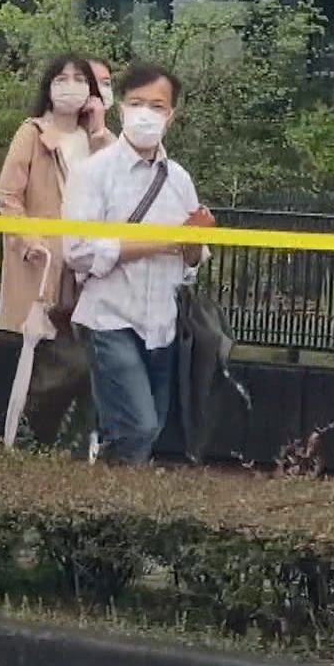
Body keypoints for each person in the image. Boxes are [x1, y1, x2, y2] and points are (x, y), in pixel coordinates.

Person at [63, 64, 213, 465]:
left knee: (146, 431)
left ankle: (107, 508)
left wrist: (195, 242)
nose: (146, 113)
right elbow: (77, 250)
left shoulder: (179, 179)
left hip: (161, 323)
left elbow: (191, 263)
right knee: (139, 425)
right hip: (109, 318)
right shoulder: (94, 173)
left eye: (157, 105)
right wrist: (160, 241)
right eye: (137, 103)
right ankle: (111, 506)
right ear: (121, 109)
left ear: (172, 115)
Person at [0, 55, 115, 442]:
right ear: (48, 87)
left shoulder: (101, 142)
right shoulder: (32, 133)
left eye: (80, 79)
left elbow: (118, 190)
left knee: (83, 361)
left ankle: (65, 445)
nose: (70, 85)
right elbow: (8, 195)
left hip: (89, 270)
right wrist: (28, 240)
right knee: (49, 360)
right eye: (61, 78)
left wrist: (98, 133)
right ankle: (30, 440)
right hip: (45, 267)